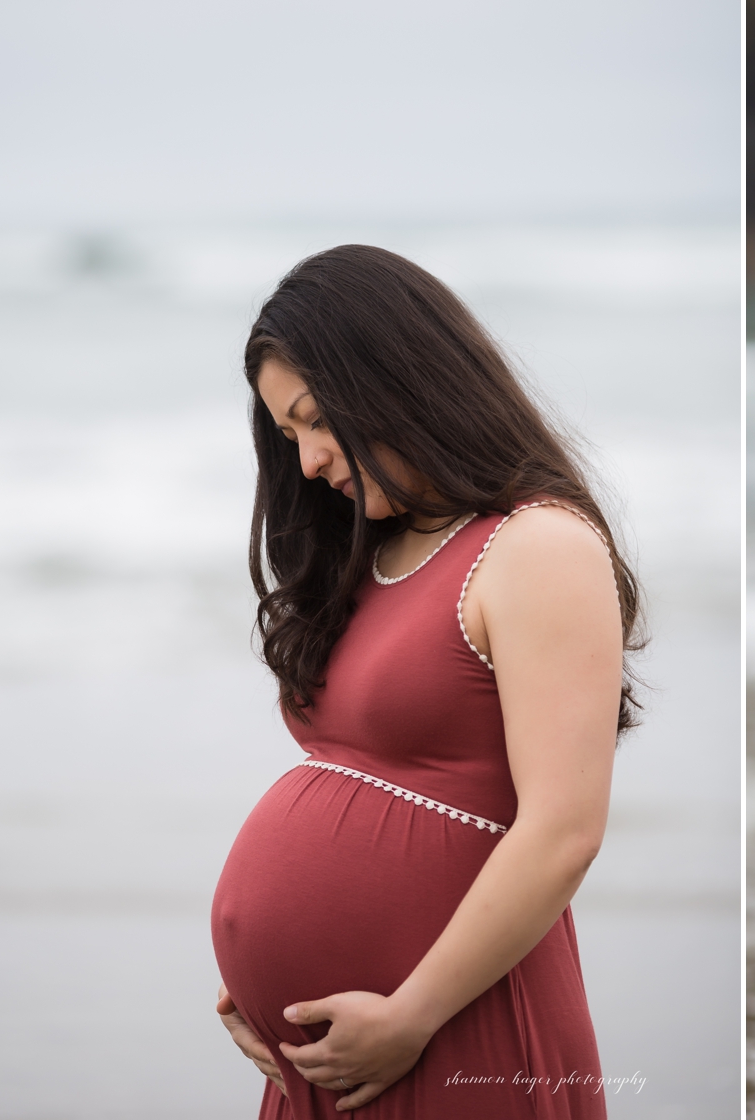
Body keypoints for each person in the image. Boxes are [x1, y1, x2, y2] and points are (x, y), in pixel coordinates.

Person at [209, 244, 641, 1118]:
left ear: (391, 377)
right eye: (286, 436)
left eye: (314, 420)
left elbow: (564, 831)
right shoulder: (371, 554)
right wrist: (261, 982)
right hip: (338, 1054)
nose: (307, 462)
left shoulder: (536, 546)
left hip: (450, 1031)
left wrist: (411, 1015)